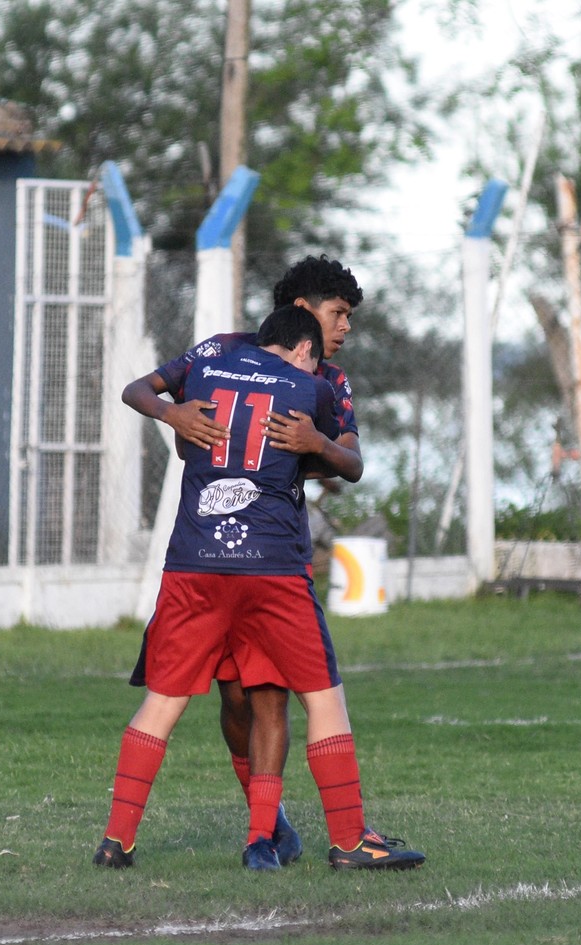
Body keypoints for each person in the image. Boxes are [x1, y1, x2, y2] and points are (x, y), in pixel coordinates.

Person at [94, 304, 423, 872]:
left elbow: (169, 424)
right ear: (303, 342)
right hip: (271, 567)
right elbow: (344, 465)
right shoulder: (314, 387)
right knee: (322, 698)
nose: (339, 333)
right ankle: (347, 840)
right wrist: (312, 444)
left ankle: (117, 840)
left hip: (194, 561)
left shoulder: (210, 362)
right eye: (336, 319)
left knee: (163, 702)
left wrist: (175, 419)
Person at [124, 256, 370, 867]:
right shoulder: (220, 351)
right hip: (211, 557)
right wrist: (175, 418)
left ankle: (262, 835)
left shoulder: (329, 384)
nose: (345, 330)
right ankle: (277, 821)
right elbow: (151, 398)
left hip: (274, 555)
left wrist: (313, 449)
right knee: (234, 701)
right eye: (339, 315)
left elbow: (348, 461)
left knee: (269, 696)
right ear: (306, 312)